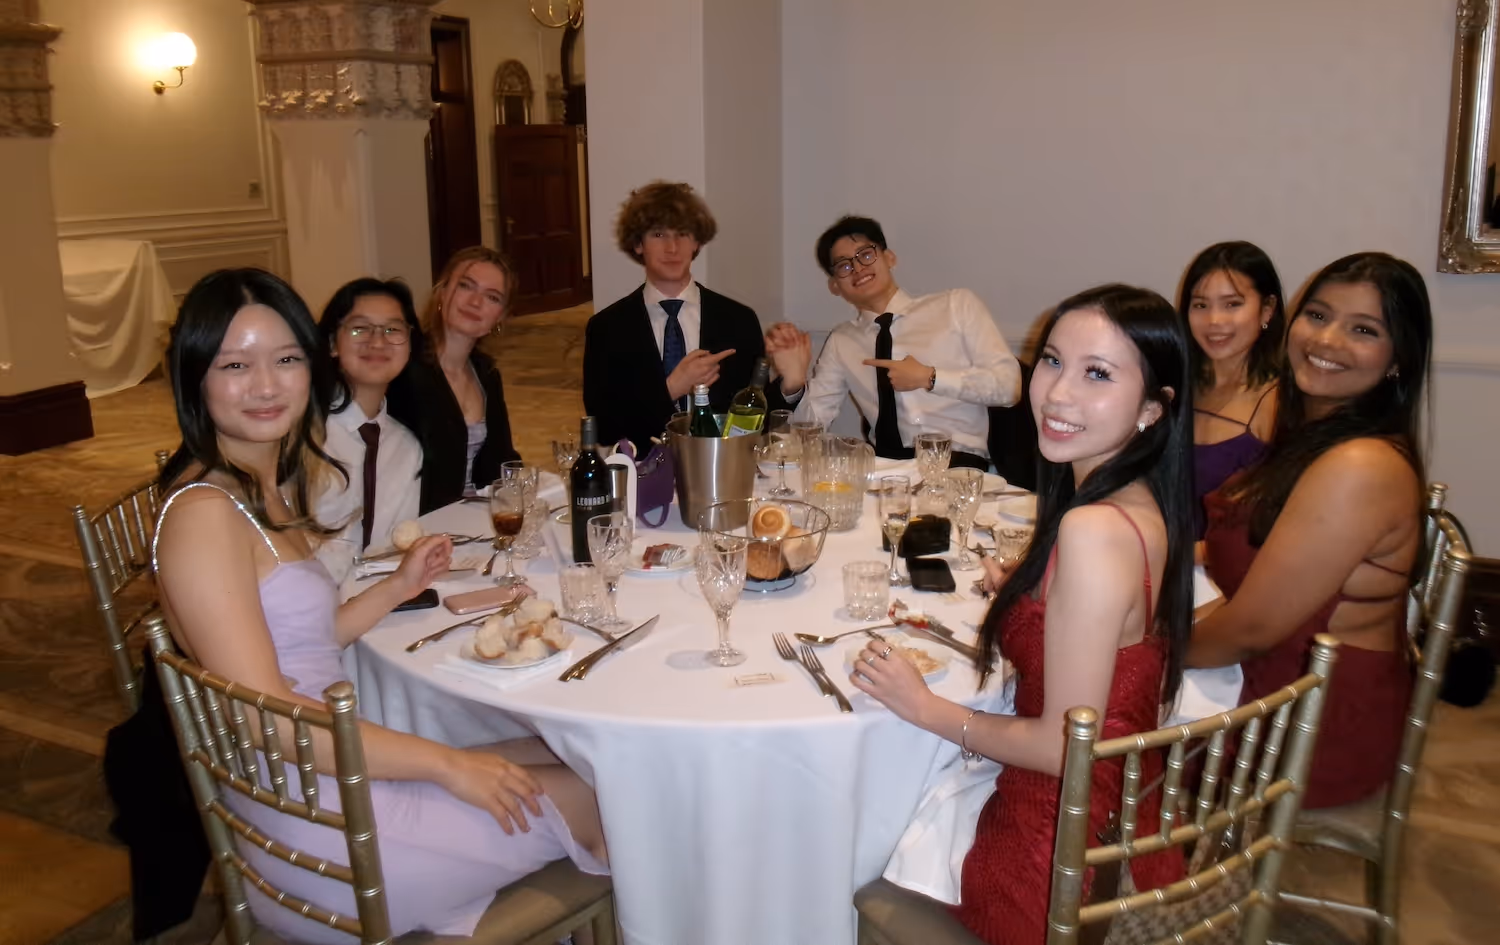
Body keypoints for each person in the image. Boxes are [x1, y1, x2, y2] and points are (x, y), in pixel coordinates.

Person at [151, 268, 607, 943]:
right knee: (609, 798)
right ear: (195, 376)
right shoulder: (204, 515)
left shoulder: (256, 483)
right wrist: (447, 764)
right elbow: (267, 720)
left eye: (284, 360)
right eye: (235, 365)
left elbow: (300, 636)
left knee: (581, 756)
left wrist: (395, 587)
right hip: (322, 829)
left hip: (323, 773)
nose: (267, 385)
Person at [852, 284, 1193, 944]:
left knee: (854, 848)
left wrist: (926, 707)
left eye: (1097, 373)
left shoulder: (1092, 532)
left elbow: (1061, 746)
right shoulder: (1143, 502)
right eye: (1052, 361)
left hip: (1049, 857)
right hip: (1116, 818)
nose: (1058, 394)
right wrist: (1037, 593)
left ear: (1154, 406)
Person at [1189, 252, 1430, 810]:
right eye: (1318, 315)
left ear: (1399, 358)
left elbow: (1250, 630)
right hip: (1277, 680)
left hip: (1307, 724)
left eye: (1363, 329)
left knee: (1078, 716)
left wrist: (1147, 651)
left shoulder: (1359, 466)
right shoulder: (1314, 435)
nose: (1326, 340)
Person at [765, 215, 1021, 470]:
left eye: (865, 255)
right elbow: (807, 436)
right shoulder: (842, 341)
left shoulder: (956, 306)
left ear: (889, 258)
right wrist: (795, 381)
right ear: (835, 286)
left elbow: (1009, 387)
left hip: (958, 465)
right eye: (843, 266)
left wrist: (930, 377)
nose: (857, 268)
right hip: (885, 471)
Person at [582, 181, 786, 452]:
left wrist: (791, 382)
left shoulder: (739, 319)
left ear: (697, 241)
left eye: (683, 233)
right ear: (637, 243)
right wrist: (671, 388)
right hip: (642, 479)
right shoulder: (607, 328)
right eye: (658, 235)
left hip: (722, 475)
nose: (672, 248)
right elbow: (605, 428)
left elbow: (757, 420)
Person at [388, 247, 521, 513]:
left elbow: (502, 461)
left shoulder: (486, 373)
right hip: (422, 523)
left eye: (492, 297)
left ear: (500, 317)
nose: (475, 302)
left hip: (476, 517)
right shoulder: (404, 371)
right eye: (465, 286)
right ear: (442, 292)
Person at [313, 277, 424, 582]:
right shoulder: (306, 438)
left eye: (393, 329)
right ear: (333, 343)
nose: (378, 342)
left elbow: (396, 546)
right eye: (360, 328)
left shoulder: (406, 447)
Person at [1176, 242, 1285, 537]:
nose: (1214, 321)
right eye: (1200, 305)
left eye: (1232, 304)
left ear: (1267, 310)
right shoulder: (1174, 384)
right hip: (1154, 558)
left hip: (1225, 575)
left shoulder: (1280, 401)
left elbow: (1278, 527)